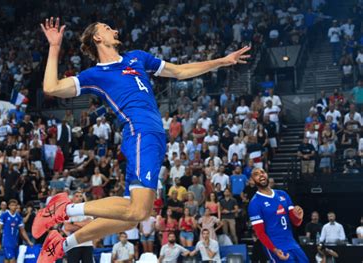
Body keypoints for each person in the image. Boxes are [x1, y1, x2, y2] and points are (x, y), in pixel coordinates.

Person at [33, 17, 251, 261]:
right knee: (137, 210)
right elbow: (51, 88)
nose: (114, 29)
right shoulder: (95, 75)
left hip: (156, 137)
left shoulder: (137, 57)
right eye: (107, 28)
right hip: (139, 132)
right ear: (97, 38)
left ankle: (62, 245)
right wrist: (54, 47)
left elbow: (179, 71)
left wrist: (222, 61)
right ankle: (63, 209)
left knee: (137, 215)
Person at [248, 168, 308, 262]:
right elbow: (260, 233)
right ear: (252, 180)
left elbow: (296, 223)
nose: (260, 175)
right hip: (276, 245)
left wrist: (299, 217)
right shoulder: (254, 203)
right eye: (256, 174)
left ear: (267, 175)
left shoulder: (283, 194)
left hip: (291, 242)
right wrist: (274, 250)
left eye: (262, 172)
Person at [64, 191, 94, 263]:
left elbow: (90, 224)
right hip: (73, 244)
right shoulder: (68, 210)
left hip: (87, 243)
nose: (79, 198)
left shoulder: (87, 209)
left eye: (81, 196)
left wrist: (73, 222)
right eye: (77, 196)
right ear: (73, 198)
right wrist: (83, 224)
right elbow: (67, 227)